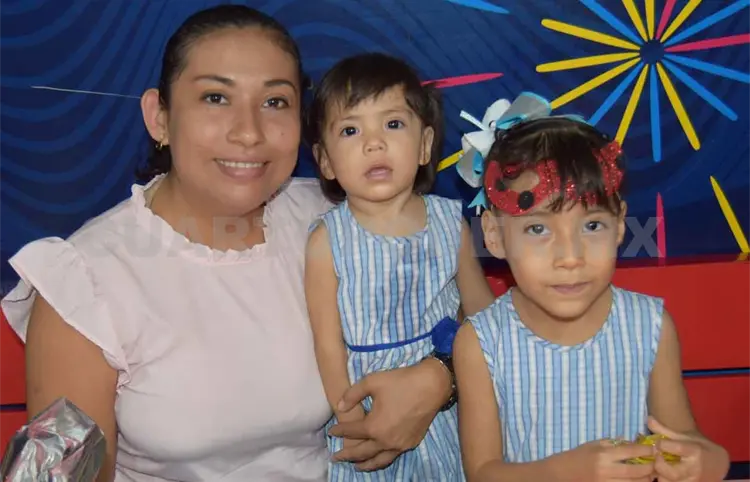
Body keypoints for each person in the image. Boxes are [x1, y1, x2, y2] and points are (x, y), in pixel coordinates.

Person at [0, 6, 459, 482]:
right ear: (159, 117)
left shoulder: (338, 220)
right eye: (216, 97)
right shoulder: (86, 282)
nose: (248, 132)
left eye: (275, 102)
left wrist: (440, 377)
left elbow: (474, 317)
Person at [452, 110, 730, 481]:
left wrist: (709, 460)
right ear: (494, 235)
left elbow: (682, 440)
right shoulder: (482, 343)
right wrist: (564, 472)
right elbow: (484, 474)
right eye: (538, 229)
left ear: (620, 225)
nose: (570, 257)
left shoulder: (648, 328)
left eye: (592, 225)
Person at [304, 53, 494, 481]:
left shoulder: (449, 223)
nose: (374, 143)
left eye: (392, 124)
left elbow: (482, 313)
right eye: (350, 130)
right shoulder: (327, 240)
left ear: (425, 145)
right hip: (367, 405)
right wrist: (349, 417)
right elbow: (328, 345)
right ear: (326, 161)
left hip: (450, 402)